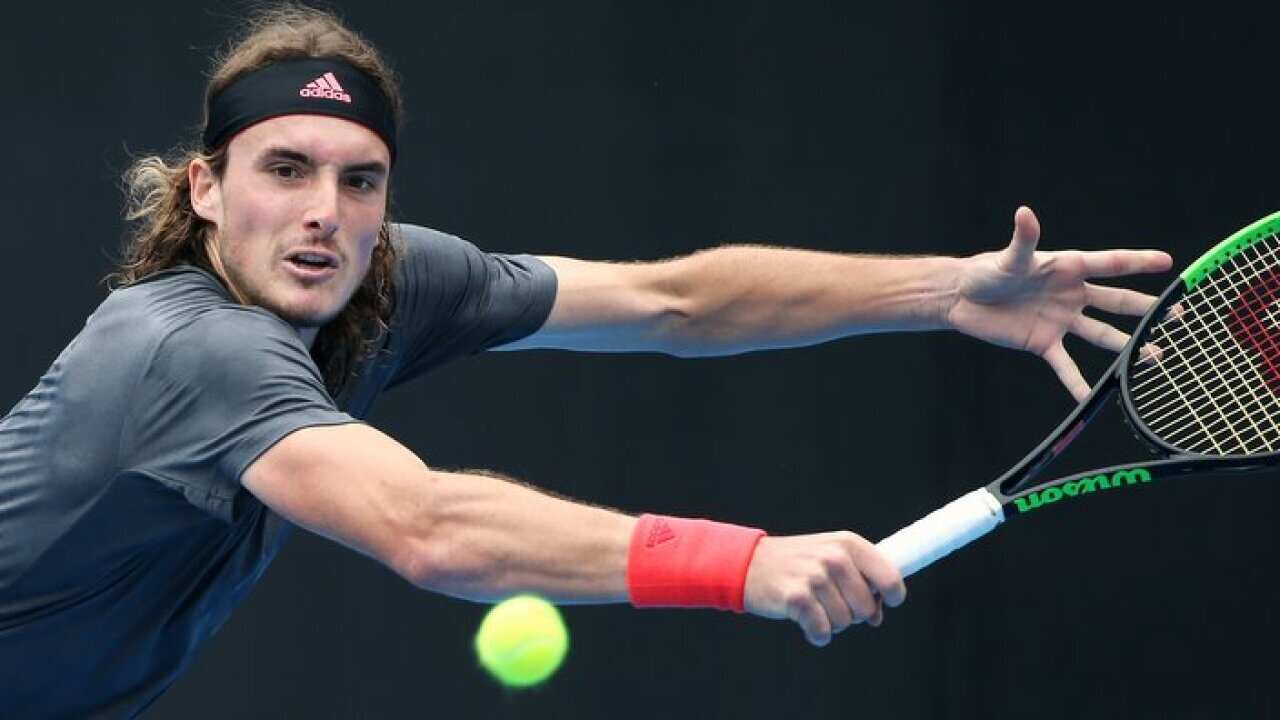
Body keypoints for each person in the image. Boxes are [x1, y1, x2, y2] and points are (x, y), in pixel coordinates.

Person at [0, 4, 1172, 717]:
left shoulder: (389, 279)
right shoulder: (188, 347)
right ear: (204, 190)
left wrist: (943, 289)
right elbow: (431, 528)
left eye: (359, 179)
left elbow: (674, 300)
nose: (325, 211)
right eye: (284, 169)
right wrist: (745, 564)